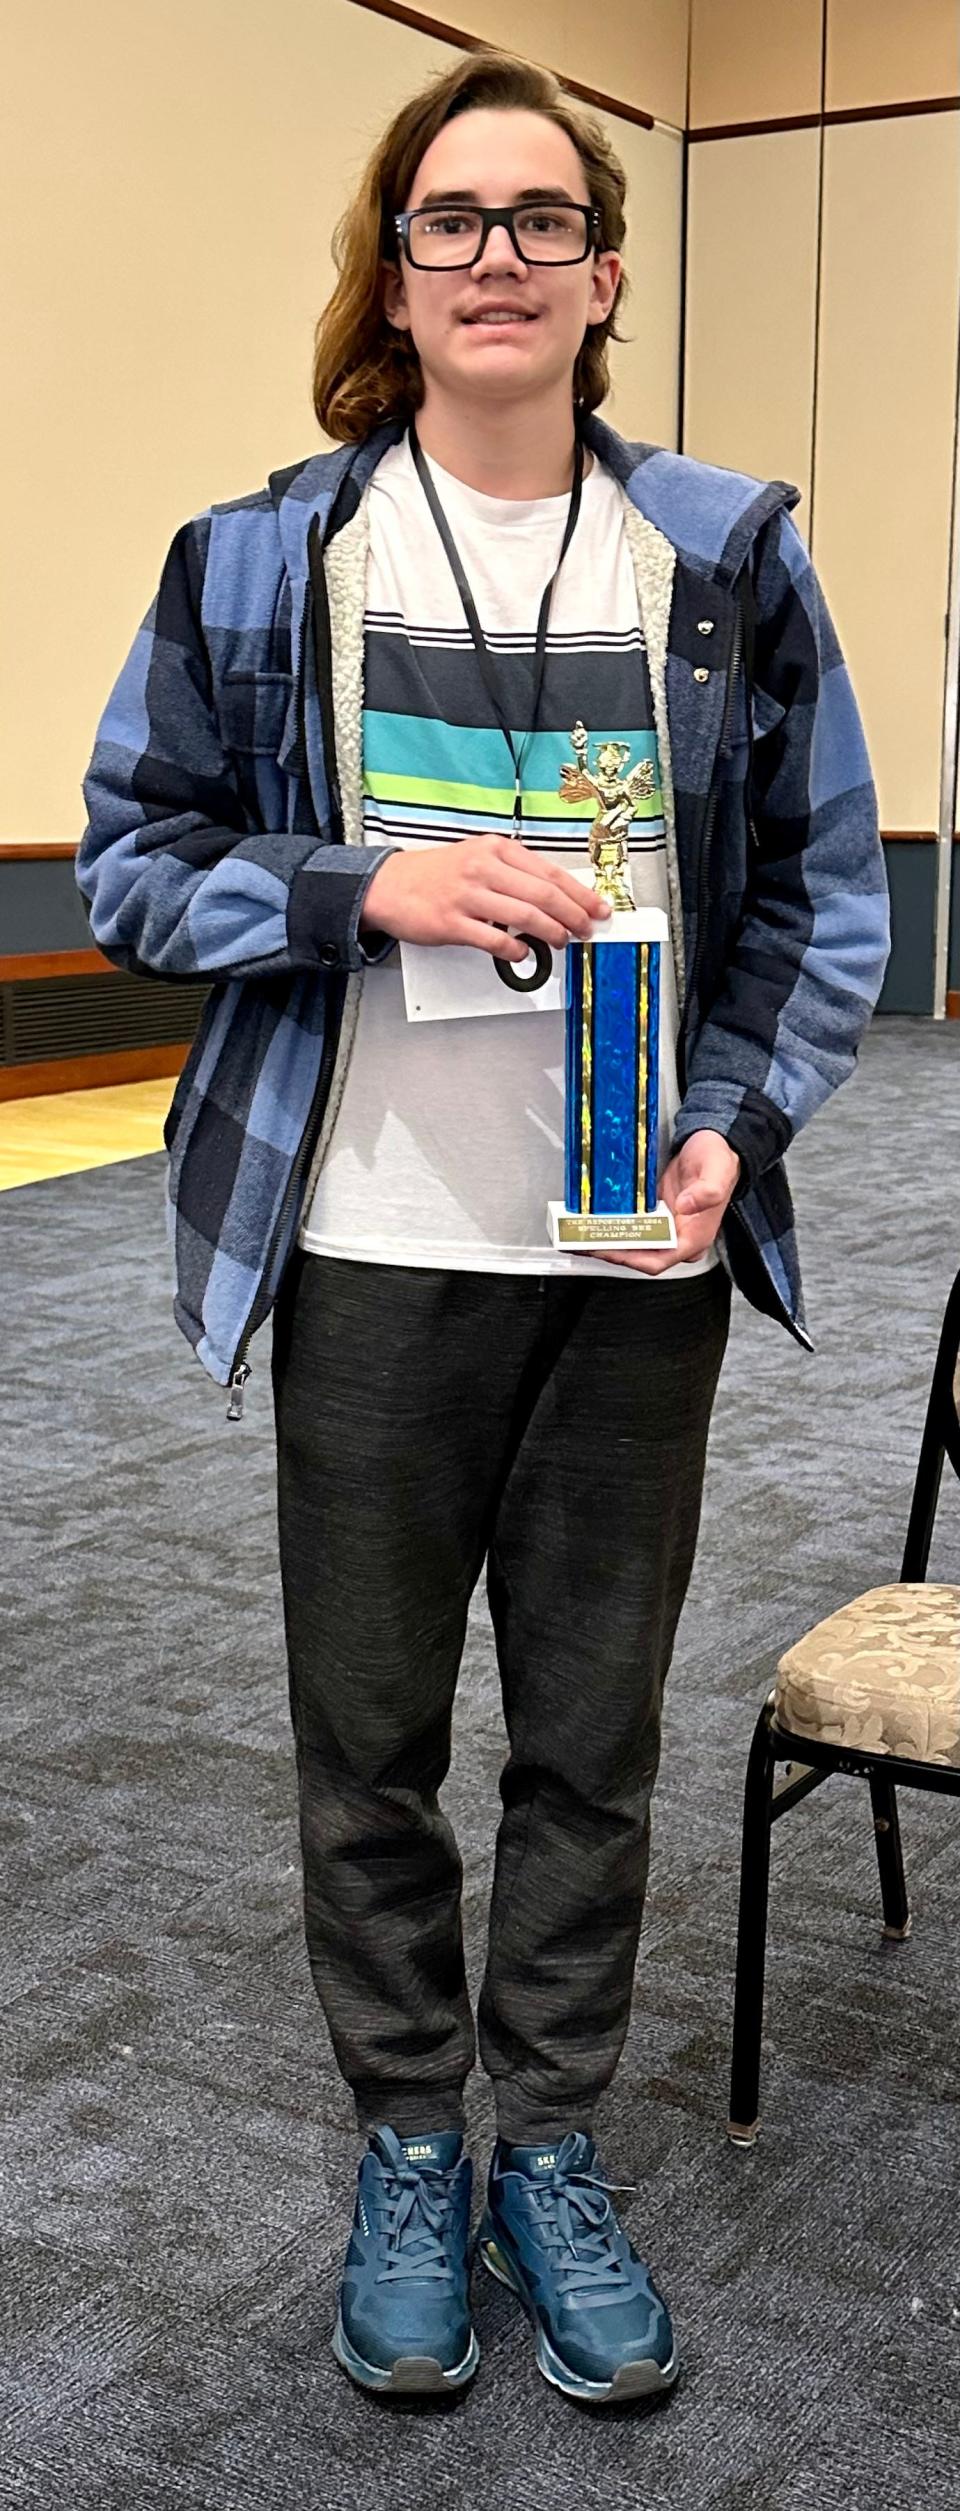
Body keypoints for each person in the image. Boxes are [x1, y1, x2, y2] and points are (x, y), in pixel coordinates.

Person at [76, 47, 889, 2410]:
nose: (501, 253)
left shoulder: (723, 557)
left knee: (595, 1738)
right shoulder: (264, 561)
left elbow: (825, 893)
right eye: (456, 218)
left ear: (606, 274)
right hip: (367, 1242)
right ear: (399, 269)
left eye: (544, 218)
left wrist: (736, 1115)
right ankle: (408, 2138)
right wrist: (362, 882)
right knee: (368, 1739)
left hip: (633, 1251)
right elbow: (132, 864)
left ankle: (553, 2139)